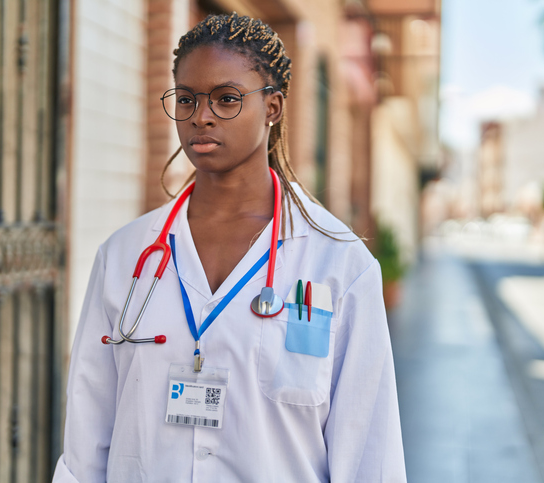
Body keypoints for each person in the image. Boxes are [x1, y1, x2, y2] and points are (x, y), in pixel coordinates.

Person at [53, 13, 405, 482]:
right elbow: (85, 444)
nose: (201, 116)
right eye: (187, 99)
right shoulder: (123, 258)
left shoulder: (338, 264)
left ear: (274, 107)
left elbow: (369, 453)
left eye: (227, 99)